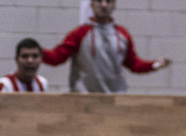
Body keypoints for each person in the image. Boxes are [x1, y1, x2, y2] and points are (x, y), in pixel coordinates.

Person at [42, 0, 171, 94]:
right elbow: (57, 57)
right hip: (84, 98)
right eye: (99, 1)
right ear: (92, 4)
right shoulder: (79, 33)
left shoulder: (123, 34)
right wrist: (38, 52)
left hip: (115, 98)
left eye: (108, 1)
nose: (104, 5)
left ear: (113, 5)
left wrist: (154, 65)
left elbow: (133, 64)